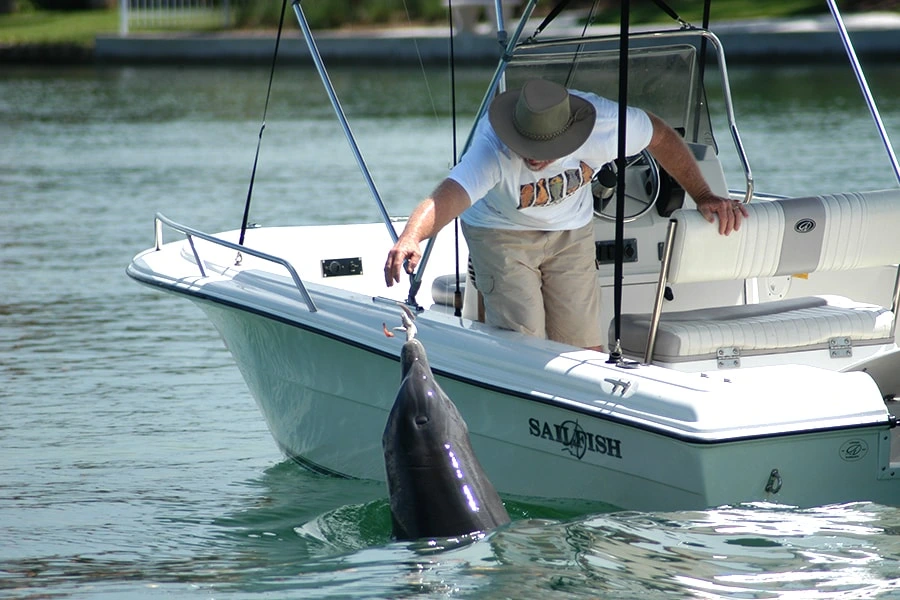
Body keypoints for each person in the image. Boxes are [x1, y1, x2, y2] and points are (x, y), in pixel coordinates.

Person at [384, 78, 748, 351]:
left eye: (545, 149)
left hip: (571, 229)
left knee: (584, 344)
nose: (534, 158)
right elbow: (448, 195)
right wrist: (411, 237)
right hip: (500, 230)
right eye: (525, 146)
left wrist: (703, 195)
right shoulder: (492, 148)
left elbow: (662, 137)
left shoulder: (607, 126)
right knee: (525, 340)